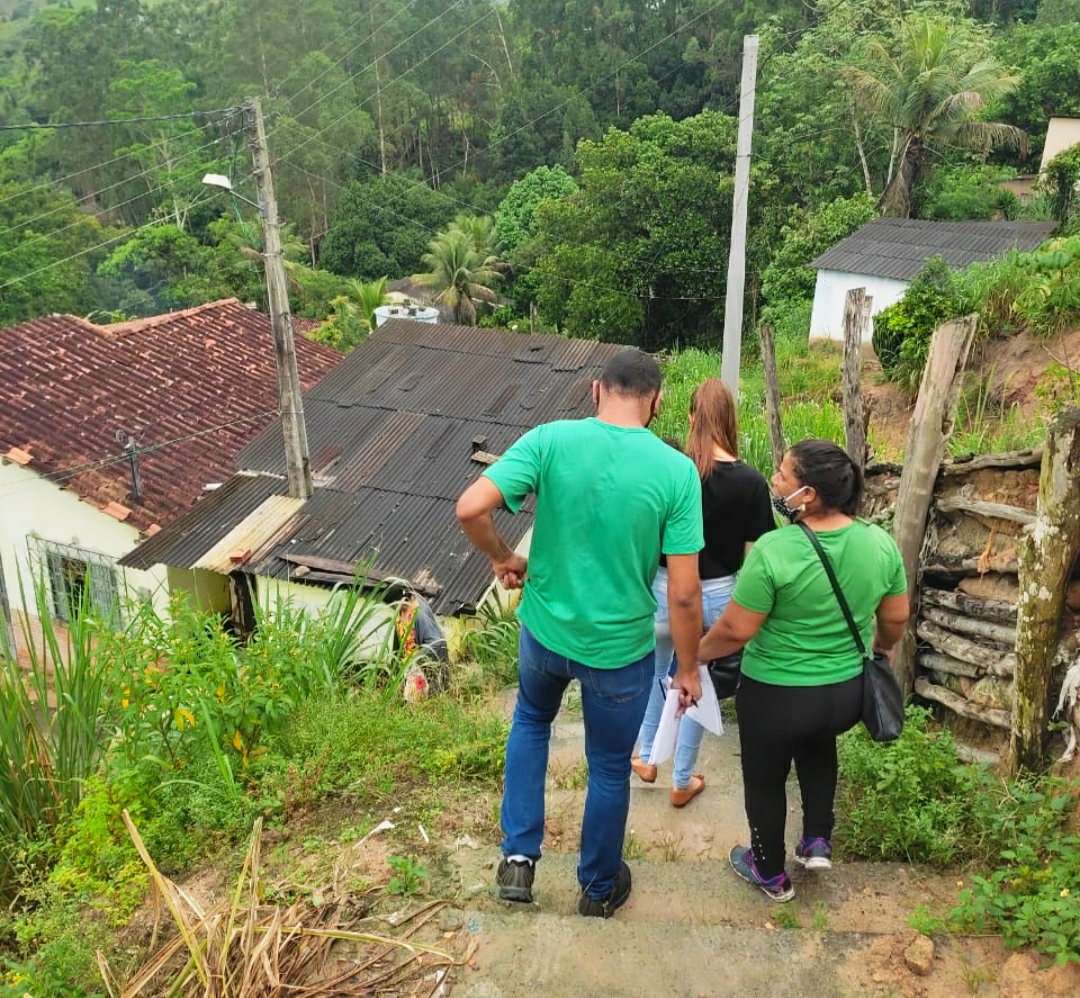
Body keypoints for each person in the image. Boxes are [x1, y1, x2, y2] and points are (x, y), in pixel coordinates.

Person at [455, 348, 704, 918]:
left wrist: (502, 558)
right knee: (611, 767)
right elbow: (685, 593)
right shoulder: (676, 472)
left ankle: (519, 861)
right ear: (657, 402)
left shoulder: (550, 440)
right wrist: (687, 668)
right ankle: (596, 889)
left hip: (544, 635)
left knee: (531, 722)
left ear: (596, 390)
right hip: (619, 652)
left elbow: (471, 507)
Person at [698, 439, 909, 902]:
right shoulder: (879, 543)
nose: (774, 480)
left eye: (782, 475)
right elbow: (894, 618)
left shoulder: (775, 551)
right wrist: (882, 648)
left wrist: (696, 654)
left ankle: (769, 871)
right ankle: (816, 839)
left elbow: (735, 630)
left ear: (807, 494)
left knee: (765, 779)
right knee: (818, 747)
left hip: (776, 695)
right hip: (844, 695)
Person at [631, 379, 774, 807]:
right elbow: (755, 557)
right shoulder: (750, 482)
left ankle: (645, 756)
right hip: (714, 596)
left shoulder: (673, 470)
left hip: (660, 588)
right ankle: (680, 780)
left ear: (692, 418)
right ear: (731, 421)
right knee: (697, 682)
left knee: (654, 672)